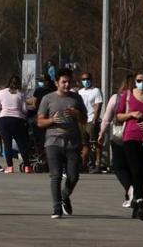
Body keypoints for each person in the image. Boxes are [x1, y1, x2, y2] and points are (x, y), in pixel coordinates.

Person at [37, 67, 87, 219]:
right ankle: (56, 207)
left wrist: (77, 113)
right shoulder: (48, 99)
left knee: (73, 176)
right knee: (56, 175)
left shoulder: (76, 98)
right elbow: (40, 122)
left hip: (72, 142)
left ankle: (65, 195)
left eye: (69, 82)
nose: (67, 85)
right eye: (63, 82)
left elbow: (84, 120)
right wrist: (52, 120)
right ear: (56, 83)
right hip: (53, 142)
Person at [115, 68, 143, 221]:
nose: (141, 83)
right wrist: (131, 114)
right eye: (139, 81)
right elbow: (118, 116)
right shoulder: (128, 95)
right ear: (135, 81)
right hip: (130, 137)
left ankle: (137, 202)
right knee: (135, 170)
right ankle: (140, 201)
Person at [98, 74, 135, 208]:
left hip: (120, 136)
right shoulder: (142, 97)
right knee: (133, 167)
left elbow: (107, 118)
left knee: (119, 166)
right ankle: (130, 195)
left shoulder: (116, 98)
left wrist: (101, 133)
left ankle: (131, 189)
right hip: (138, 136)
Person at [0, 75, 32, 173]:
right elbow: (24, 110)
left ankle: (10, 167)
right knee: (21, 143)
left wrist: (4, 109)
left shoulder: (1, 92)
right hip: (17, 120)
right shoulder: (21, 94)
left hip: (4, 119)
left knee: (7, 144)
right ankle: (27, 166)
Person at [78, 72, 104, 173]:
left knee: (96, 143)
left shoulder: (96, 91)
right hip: (82, 121)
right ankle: (84, 164)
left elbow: (98, 106)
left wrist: (95, 120)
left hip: (92, 120)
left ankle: (98, 164)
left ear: (91, 80)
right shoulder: (80, 92)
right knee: (84, 144)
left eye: (88, 79)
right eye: (84, 79)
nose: (86, 81)